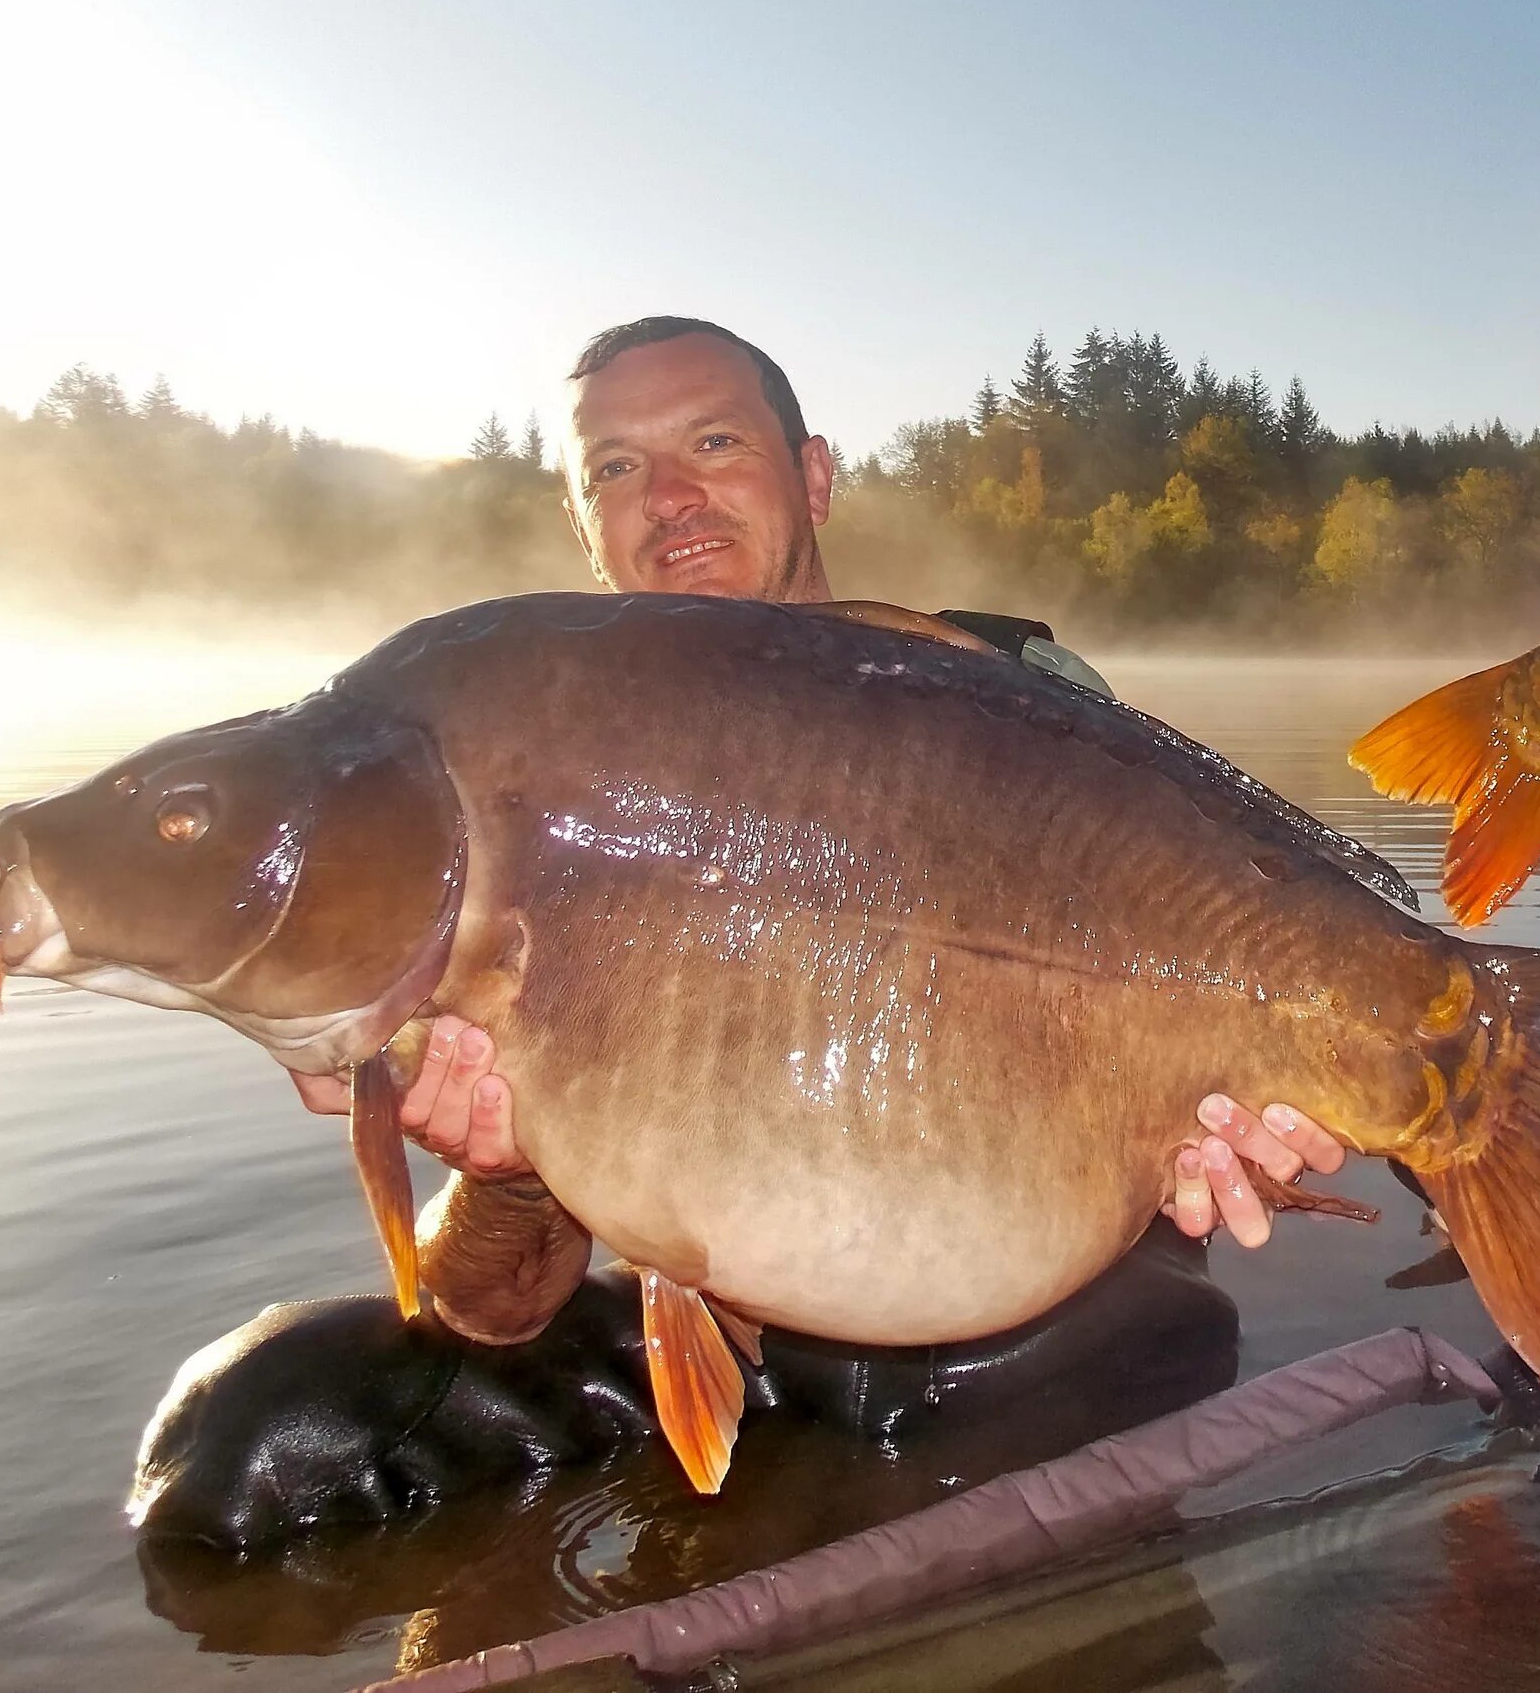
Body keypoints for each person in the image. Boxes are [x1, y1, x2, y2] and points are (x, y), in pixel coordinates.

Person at [290, 314, 1345, 1240]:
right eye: (614, 468)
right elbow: (486, 1308)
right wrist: (511, 1172)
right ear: (583, 528)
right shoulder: (550, 812)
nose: (669, 496)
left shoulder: (1024, 714)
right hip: (758, 1328)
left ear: (815, 477)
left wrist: (1235, 1118)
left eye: (714, 441)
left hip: (1051, 1300)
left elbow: (1225, 986)